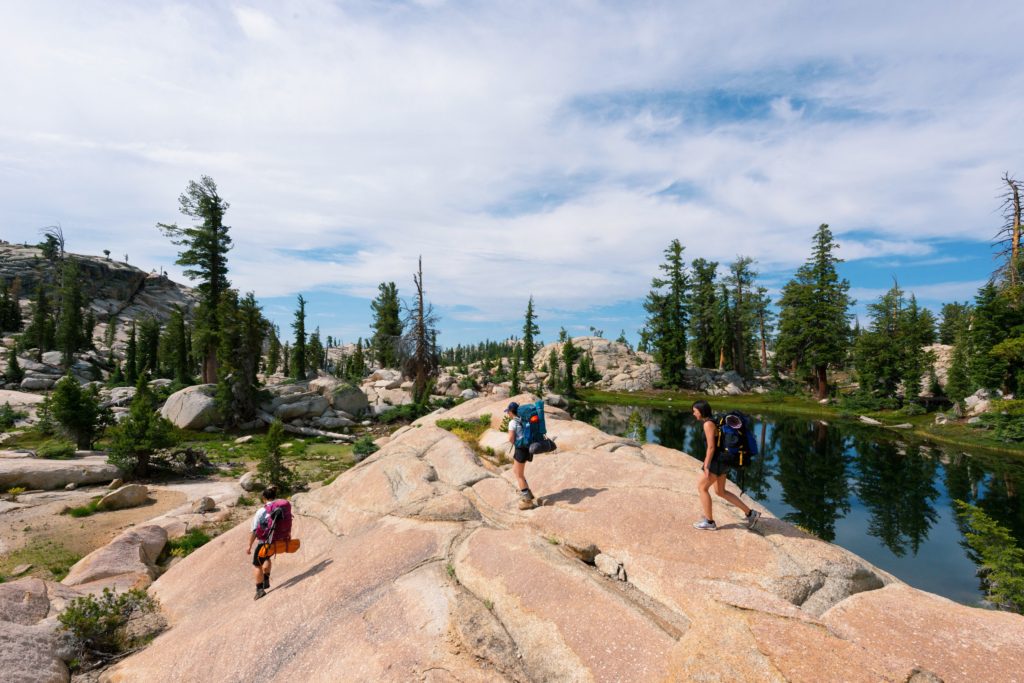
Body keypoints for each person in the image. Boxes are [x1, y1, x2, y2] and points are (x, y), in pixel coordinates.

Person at [691, 400, 761, 531]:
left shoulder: (708, 424)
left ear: (701, 411)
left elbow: (711, 447)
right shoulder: (715, 421)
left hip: (717, 461)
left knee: (702, 488)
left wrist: (706, 465)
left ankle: (709, 522)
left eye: (695, 411)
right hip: (724, 459)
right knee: (720, 491)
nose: (693, 413)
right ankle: (751, 514)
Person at [247, 486, 291, 600]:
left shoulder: (261, 511)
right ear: (274, 496)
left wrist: (249, 545)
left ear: (263, 498)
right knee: (266, 558)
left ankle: (260, 590)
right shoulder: (281, 508)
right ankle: (266, 579)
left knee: (257, 565)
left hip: (264, 542)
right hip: (277, 540)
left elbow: (254, 531)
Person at [506, 402, 536, 510]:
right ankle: (528, 493)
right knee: (517, 472)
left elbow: (510, 438)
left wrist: (515, 443)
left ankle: (527, 501)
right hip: (528, 448)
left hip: (521, 449)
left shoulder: (513, 422)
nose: (507, 414)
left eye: (508, 412)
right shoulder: (524, 419)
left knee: (519, 475)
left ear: (510, 412)